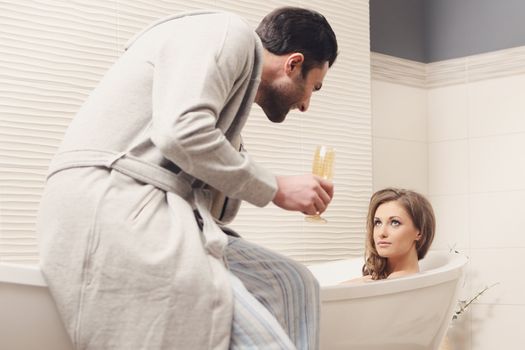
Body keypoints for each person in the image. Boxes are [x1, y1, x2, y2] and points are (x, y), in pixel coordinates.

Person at [36, 7, 338, 350]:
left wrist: (237, 158)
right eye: (314, 87)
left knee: (293, 283)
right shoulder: (227, 33)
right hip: (111, 200)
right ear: (293, 64)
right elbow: (180, 133)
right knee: (265, 343)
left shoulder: (227, 94)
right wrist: (275, 187)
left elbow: (219, 207)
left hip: (156, 209)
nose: (306, 104)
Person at [345, 188, 435, 283]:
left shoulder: (397, 282)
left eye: (395, 222)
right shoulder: (381, 280)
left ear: (420, 232)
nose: (382, 233)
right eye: (378, 222)